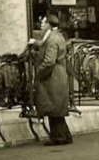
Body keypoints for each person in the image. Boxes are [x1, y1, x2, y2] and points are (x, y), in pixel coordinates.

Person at [31, 14, 72, 145]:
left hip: (52, 76)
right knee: (56, 108)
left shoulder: (52, 39)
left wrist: (38, 72)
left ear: (49, 24)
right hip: (58, 74)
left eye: (43, 22)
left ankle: (58, 137)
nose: (41, 25)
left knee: (52, 107)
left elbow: (49, 61)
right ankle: (64, 135)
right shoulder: (57, 36)